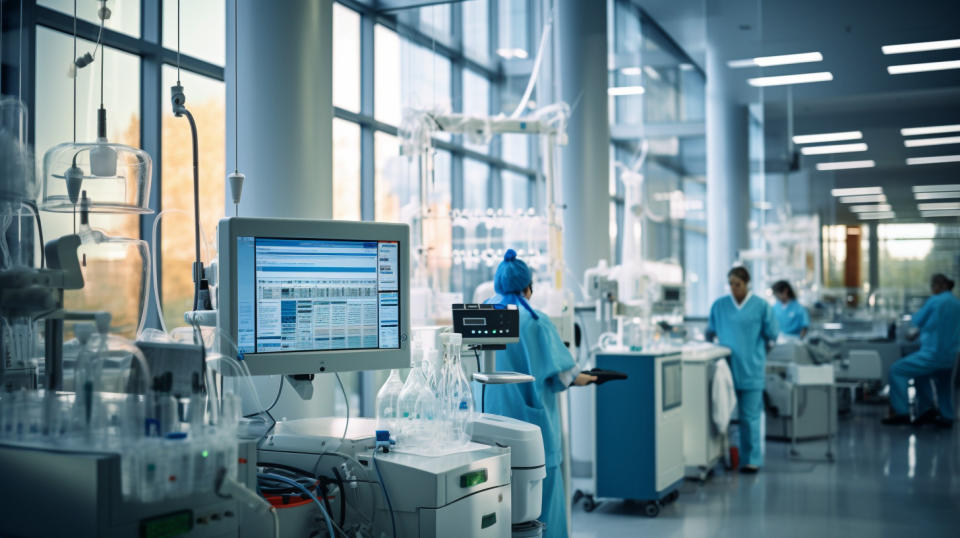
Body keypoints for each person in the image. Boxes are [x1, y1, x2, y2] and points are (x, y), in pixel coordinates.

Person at [482, 249, 595, 538]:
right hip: (533, 432)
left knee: (494, 506)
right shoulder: (535, 322)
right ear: (528, 287)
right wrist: (592, 378)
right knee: (541, 508)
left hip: (486, 430)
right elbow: (565, 376)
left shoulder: (483, 314)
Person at [706, 266, 778, 474]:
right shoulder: (719, 306)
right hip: (725, 371)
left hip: (751, 370)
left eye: (737, 284)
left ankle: (750, 460)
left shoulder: (761, 306)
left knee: (749, 418)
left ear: (747, 284)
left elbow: (772, 333)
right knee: (721, 415)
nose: (733, 288)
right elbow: (709, 333)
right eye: (730, 284)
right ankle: (723, 456)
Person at [882, 274, 960, 428]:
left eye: (933, 286)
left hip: (933, 353)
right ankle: (942, 415)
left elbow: (916, 322)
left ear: (940, 285)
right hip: (952, 356)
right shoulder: (957, 303)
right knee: (940, 384)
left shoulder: (935, 301)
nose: (932, 289)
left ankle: (902, 412)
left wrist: (911, 332)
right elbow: (937, 325)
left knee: (897, 370)